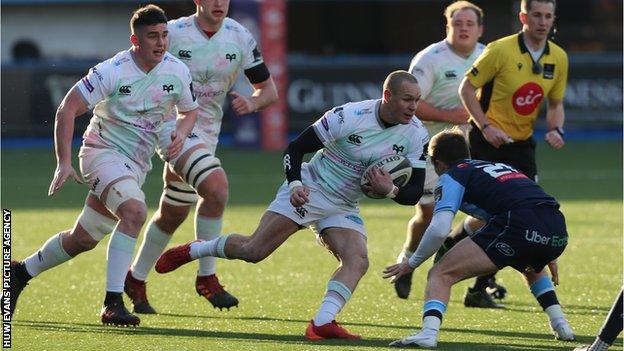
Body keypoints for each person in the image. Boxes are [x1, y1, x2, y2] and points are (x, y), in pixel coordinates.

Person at [155, 70, 429, 339]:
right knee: (253, 251)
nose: (413, 107)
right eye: (407, 99)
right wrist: (296, 185)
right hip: (311, 188)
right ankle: (196, 249)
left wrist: (390, 189)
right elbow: (295, 149)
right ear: (387, 95)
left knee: (357, 260)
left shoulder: (416, 134)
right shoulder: (350, 115)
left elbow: (414, 192)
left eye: (417, 100)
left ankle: (322, 323)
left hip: (343, 204)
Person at [9, 4, 199, 326]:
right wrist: (63, 163)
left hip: (135, 164)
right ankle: (112, 303)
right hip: (101, 153)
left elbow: (189, 110)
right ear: (134, 40)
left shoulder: (177, 70)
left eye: (164, 35)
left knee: (84, 238)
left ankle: (19, 272)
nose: (160, 42)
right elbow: (67, 109)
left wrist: (181, 131)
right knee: (135, 211)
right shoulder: (112, 70)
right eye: (152, 36)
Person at [124, 0, 278, 314]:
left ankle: (135, 278)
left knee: (173, 212)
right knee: (217, 188)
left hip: (207, 134)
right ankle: (207, 276)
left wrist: (253, 103)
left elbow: (269, 91)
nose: (219, 3)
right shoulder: (174, 33)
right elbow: (137, 66)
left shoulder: (240, 36)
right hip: (170, 125)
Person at [383, 130, 575, 348]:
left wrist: (411, 263)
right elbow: (529, 205)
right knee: (530, 263)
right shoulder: (500, 168)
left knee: (439, 273)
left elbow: (438, 229)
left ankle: (428, 334)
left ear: (438, 163)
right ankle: (561, 324)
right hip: (557, 227)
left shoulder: (452, 175)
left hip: (520, 223)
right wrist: (547, 251)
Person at [435, 0, 569, 308]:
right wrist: (484, 126)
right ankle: (469, 272)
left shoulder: (558, 57)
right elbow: (466, 89)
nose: (542, 21)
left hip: (522, 146)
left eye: (548, 16)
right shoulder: (500, 50)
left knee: (521, 214)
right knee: (496, 217)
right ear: (523, 16)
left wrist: (556, 130)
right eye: (536, 15)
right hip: (487, 142)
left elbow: (556, 104)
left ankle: (469, 274)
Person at [393, 1, 508, 308]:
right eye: (458, 23)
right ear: (448, 27)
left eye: (470, 23)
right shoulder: (430, 59)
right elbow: (412, 101)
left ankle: (473, 275)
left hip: (474, 148)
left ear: (480, 29)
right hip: (431, 147)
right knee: (429, 213)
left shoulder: (489, 55)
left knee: (487, 213)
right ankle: (407, 258)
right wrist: (450, 115)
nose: (464, 28)